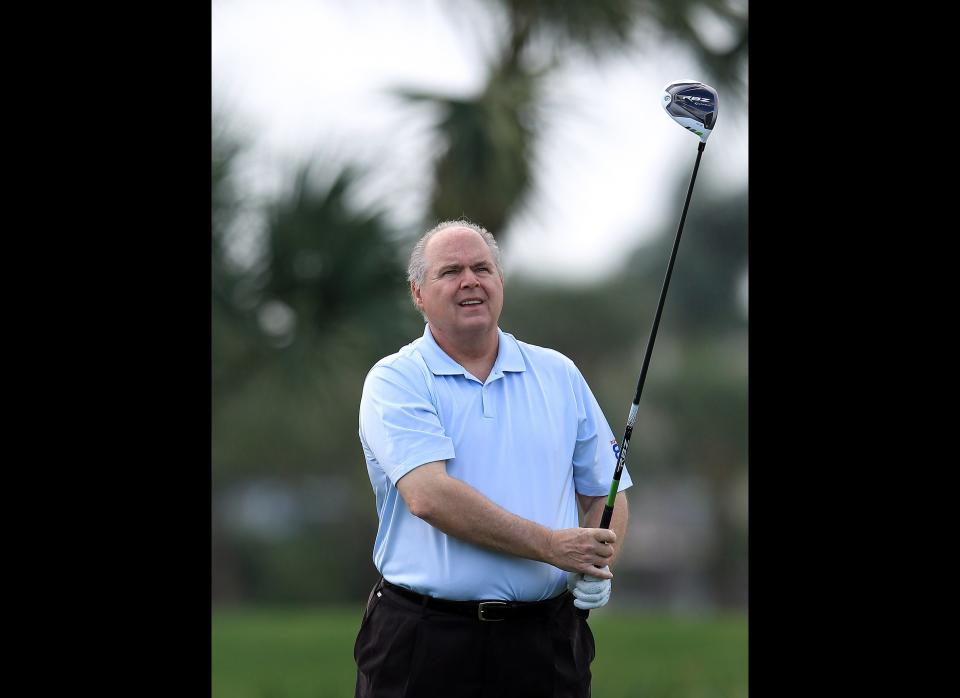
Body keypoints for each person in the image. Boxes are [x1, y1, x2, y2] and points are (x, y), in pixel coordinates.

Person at [355, 219, 632, 698]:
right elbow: (428, 496)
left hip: (545, 639)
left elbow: (606, 491)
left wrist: (599, 563)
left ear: (500, 283)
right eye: (451, 271)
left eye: (482, 268)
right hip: (424, 638)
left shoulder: (558, 373)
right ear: (418, 293)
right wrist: (551, 546)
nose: (470, 280)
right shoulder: (395, 379)